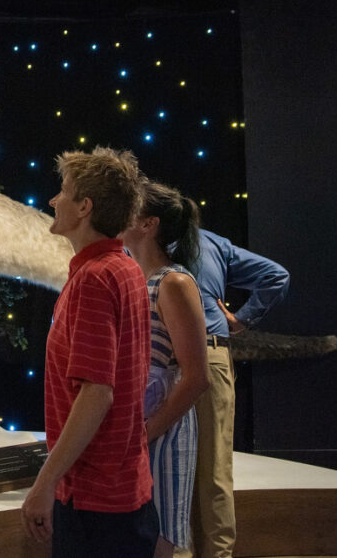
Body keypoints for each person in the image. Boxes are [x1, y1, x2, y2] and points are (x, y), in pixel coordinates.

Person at [20, 147, 158, 558]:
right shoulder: (125, 267)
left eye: (62, 191)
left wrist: (44, 485)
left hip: (95, 504)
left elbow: (97, 394)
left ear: (84, 206)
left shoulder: (95, 280)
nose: (52, 200)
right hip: (123, 493)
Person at [187, 229, 290, 558]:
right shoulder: (211, 241)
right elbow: (276, 276)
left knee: (172, 469)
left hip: (169, 358)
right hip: (209, 352)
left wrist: (242, 319)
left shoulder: (138, 240)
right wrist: (242, 320)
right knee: (213, 469)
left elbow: (276, 276)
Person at [121, 182, 210, 558]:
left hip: (162, 430)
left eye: (128, 209)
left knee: (157, 535)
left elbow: (195, 377)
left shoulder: (173, 283)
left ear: (148, 224)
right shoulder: (131, 278)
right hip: (132, 426)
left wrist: (146, 434)